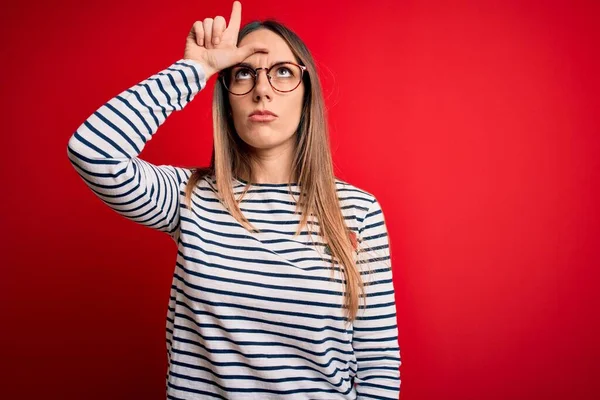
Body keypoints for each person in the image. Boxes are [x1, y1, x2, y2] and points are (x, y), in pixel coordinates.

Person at [66, 1, 401, 398]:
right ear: (227, 98)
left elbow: (378, 362)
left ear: (306, 93)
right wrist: (196, 70)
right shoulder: (187, 198)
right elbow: (93, 151)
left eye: (282, 72)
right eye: (243, 73)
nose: (262, 90)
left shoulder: (358, 212)